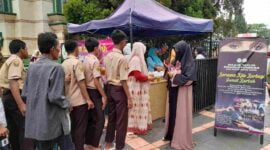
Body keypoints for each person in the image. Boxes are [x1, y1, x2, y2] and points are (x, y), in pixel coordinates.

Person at [22, 32, 75, 150]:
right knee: (67, 145)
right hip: (53, 119)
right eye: (58, 48)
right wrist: (67, 104)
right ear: (52, 49)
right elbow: (55, 96)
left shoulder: (31, 67)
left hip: (37, 120)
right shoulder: (56, 68)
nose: (59, 51)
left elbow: (25, 93)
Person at [0, 40, 34, 150]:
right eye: (26, 49)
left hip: (8, 97)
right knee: (23, 130)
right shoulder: (16, 61)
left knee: (14, 130)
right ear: (21, 49)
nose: (27, 51)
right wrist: (21, 104)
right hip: (14, 97)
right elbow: (13, 82)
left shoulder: (9, 60)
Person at [62, 40, 94, 150]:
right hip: (79, 102)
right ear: (76, 49)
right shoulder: (77, 63)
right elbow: (81, 82)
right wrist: (88, 99)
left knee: (72, 128)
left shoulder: (62, 64)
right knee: (80, 130)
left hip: (68, 102)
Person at [164, 41, 196, 150]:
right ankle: (172, 136)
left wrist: (174, 75)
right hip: (174, 93)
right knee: (173, 115)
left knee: (180, 116)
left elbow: (189, 79)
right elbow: (169, 73)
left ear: (182, 51)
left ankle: (180, 138)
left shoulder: (189, 63)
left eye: (176, 52)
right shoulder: (176, 60)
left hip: (182, 94)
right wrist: (169, 71)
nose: (174, 54)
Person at [104, 30, 133, 150]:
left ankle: (108, 143)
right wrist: (129, 98)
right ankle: (119, 146)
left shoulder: (108, 56)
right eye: (125, 41)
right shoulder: (122, 58)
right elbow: (123, 80)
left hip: (109, 89)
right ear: (122, 42)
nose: (126, 43)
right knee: (121, 120)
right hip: (119, 90)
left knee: (111, 118)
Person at [83, 37, 107, 150]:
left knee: (92, 119)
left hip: (88, 91)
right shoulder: (95, 60)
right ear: (96, 48)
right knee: (100, 120)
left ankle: (88, 143)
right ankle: (94, 145)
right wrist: (104, 95)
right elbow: (97, 81)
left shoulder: (85, 59)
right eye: (98, 47)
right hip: (94, 91)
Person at [127, 42, 154, 135]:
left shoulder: (134, 59)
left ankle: (138, 126)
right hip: (135, 87)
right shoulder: (136, 60)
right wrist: (148, 78)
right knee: (136, 107)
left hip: (137, 86)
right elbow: (138, 76)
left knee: (137, 106)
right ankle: (136, 127)